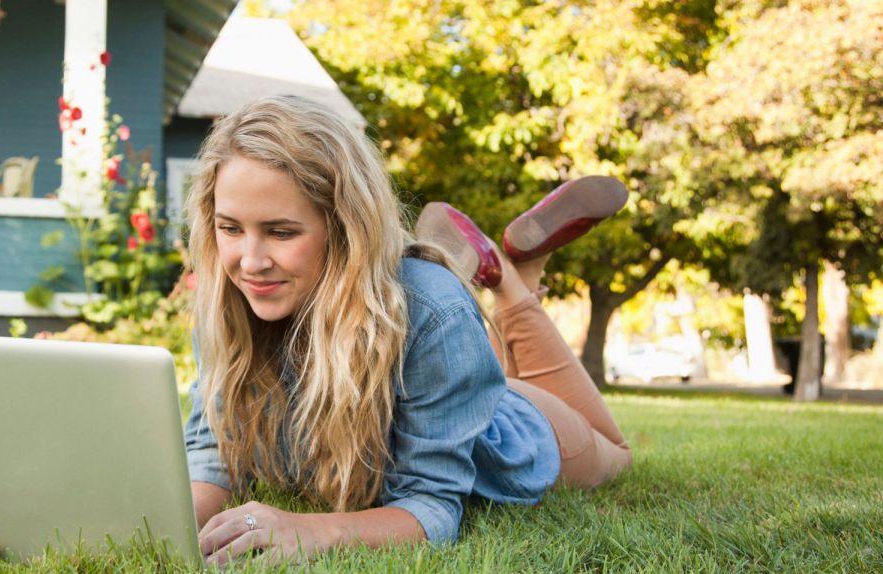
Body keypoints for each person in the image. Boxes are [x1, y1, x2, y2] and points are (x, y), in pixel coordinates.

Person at [182, 94, 632, 566]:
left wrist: (308, 529)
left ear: (346, 227)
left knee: (617, 452)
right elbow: (214, 450)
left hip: (519, 431)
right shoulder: (227, 298)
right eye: (230, 228)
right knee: (459, 348)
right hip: (450, 383)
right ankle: (512, 270)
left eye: (281, 232)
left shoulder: (433, 311)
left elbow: (433, 505)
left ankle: (512, 280)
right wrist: (172, 521)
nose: (249, 262)